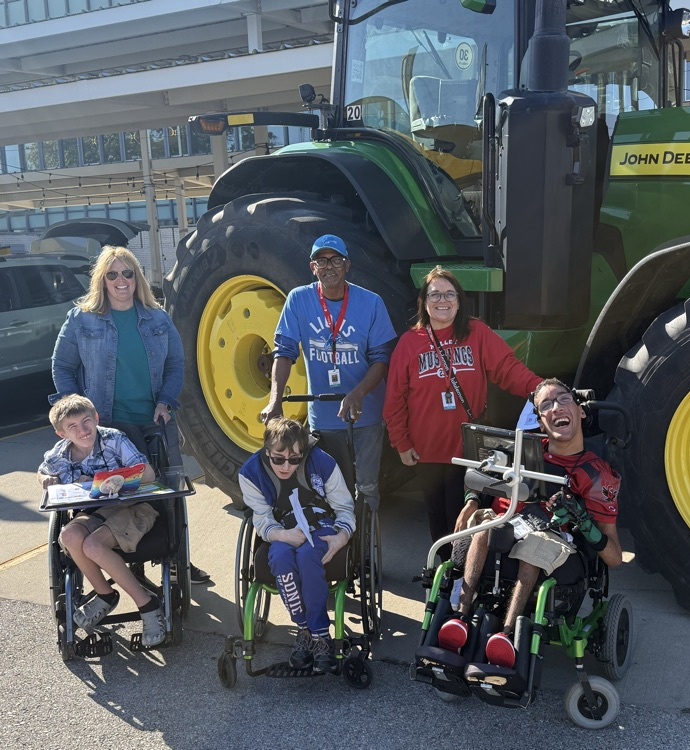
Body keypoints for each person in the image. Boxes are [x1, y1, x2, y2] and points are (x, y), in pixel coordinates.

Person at [49, 244, 210, 585]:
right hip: (104, 424)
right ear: (102, 280)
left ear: (137, 278)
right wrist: (75, 413)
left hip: (154, 422)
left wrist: (166, 402)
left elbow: (175, 364)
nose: (121, 280)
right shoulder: (82, 319)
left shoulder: (158, 318)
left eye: (127, 273)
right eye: (112, 274)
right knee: (109, 496)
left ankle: (180, 557)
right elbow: (63, 365)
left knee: (169, 494)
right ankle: (128, 561)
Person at [438, 378, 623, 668]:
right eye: (546, 405)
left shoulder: (596, 474)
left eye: (563, 400)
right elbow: (482, 469)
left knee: (534, 545)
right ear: (540, 420)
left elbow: (614, 558)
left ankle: (507, 634)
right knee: (486, 527)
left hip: (550, 538)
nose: (555, 408)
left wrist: (583, 521)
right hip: (503, 526)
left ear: (581, 412)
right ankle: (460, 619)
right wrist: (472, 500)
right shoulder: (521, 450)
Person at [383, 265, 542, 560]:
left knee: (466, 515)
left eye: (449, 294)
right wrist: (401, 442)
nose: (442, 301)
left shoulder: (476, 332)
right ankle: (443, 575)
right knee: (437, 516)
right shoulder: (410, 342)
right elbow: (394, 399)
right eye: (435, 294)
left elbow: (508, 369)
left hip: (468, 448)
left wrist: (540, 389)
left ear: (459, 299)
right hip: (427, 449)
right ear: (424, 301)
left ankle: (463, 574)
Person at [260, 234, 397, 512]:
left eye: (335, 260)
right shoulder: (298, 300)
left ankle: (365, 549)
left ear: (347, 265)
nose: (329, 266)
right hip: (323, 416)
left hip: (365, 414)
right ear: (313, 268)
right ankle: (341, 546)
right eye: (321, 261)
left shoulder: (371, 303)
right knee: (328, 487)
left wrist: (357, 394)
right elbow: (284, 351)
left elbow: (382, 360)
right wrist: (275, 400)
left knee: (367, 486)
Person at [37, 394, 168, 646]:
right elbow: (43, 470)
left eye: (87, 422)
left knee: (92, 545)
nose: (83, 431)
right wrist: (44, 479)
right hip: (93, 513)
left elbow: (149, 474)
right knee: (69, 536)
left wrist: (111, 479)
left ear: (96, 418)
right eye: (73, 427)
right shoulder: (61, 453)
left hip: (134, 508)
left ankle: (148, 605)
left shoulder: (114, 439)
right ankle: (105, 594)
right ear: (62, 434)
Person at [238, 416, 356, 672]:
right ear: (266, 451)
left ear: (303, 453)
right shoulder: (250, 473)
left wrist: (342, 536)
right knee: (280, 557)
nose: (286, 466)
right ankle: (303, 630)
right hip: (283, 527)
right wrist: (282, 535)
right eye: (278, 458)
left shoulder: (322, 462)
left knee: (307, 556)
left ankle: (321, 634)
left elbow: (346, 508)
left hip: (323, 522)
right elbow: (261, 519)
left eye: (294, 459)